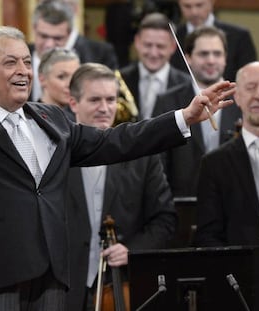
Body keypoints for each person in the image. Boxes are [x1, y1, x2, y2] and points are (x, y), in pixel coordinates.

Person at [0, 26, 234, 310]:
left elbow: (115, 141)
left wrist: (182, 118)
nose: (23, 71)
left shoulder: (51, 118)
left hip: (53, 277)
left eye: (26, 62)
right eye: (10, 63)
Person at [65, 63, 177, 311]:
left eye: (111, 99)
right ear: (73, 103)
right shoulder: (55, 153)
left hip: (121, 288)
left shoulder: (142, 157)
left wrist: (132, 251)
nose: (105, 108)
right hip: (63, 288)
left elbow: (164, 219)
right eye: (95, 100)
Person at [194, 62, 259, 309]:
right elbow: (208, 236)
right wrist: (239, 270)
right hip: (243, 290)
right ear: (238, 97)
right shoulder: (214, 163)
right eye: (250, 88)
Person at [156, 26, 241, 197]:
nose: (211, 60)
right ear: (188, 58)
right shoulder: (167, 101)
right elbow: (160, 160)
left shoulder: (242, 100)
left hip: (234, 202)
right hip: (184, 202)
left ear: (225, 58)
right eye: (203, 54)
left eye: (217, 54)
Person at [29, 0, 118, 101]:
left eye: (57, 38)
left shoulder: (99, 55)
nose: (49, 44)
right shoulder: (18, 57)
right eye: (43, 36)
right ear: (34, 29)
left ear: (69, 34)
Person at [119, 12, 190, 120]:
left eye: (160, 46)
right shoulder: (119, 80)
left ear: (173, 47)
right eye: (148, 45)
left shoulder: (187, 85)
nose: (153, 53)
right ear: (137, 42)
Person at [171, 0, 257, 82]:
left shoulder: (239, 36)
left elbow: (249, 76)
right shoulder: (172, 36)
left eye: (199, 5)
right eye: (187, 6)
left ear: (212, 2)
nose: (194, 12)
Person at [38, 47, 80, 120]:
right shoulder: (30, 118)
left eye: (75, 76)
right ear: (43, 79)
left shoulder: (77, 119)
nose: (70, 84)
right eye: (61, 77)